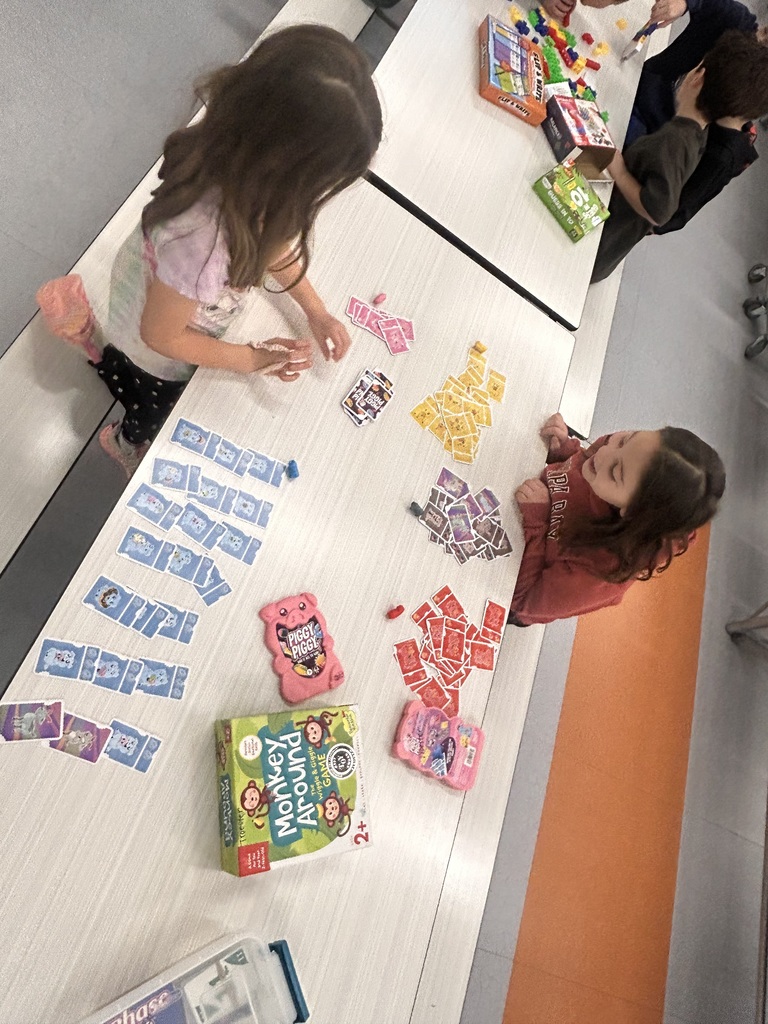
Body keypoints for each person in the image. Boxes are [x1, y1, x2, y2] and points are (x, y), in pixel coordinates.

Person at [39, 25, 383, 476]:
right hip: (157, 339)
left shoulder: (244, 161)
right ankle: (124, 439)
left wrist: (316, 312)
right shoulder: (199, 241)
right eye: (319, 185)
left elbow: (273, 248)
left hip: (175, 294)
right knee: (149, 403)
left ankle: (105, 359)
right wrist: (251, 359)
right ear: (281, 172)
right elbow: (160, 336)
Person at [507, 413, 725, 626]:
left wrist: (537, 521)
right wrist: (564, 450)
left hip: (516, 581)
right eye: (624, 440)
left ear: (630, 512)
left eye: (615, 472)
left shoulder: (606, 570)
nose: (603, 454)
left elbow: (521, 598)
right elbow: (581, 462)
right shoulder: (621, 456)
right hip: (522, 507)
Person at [590, 31, 768, 282]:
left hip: (597, 240)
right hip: (609, 226)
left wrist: (618, 170)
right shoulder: (696, 131)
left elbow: (659, 212)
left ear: (697, 77)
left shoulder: (676, 141)